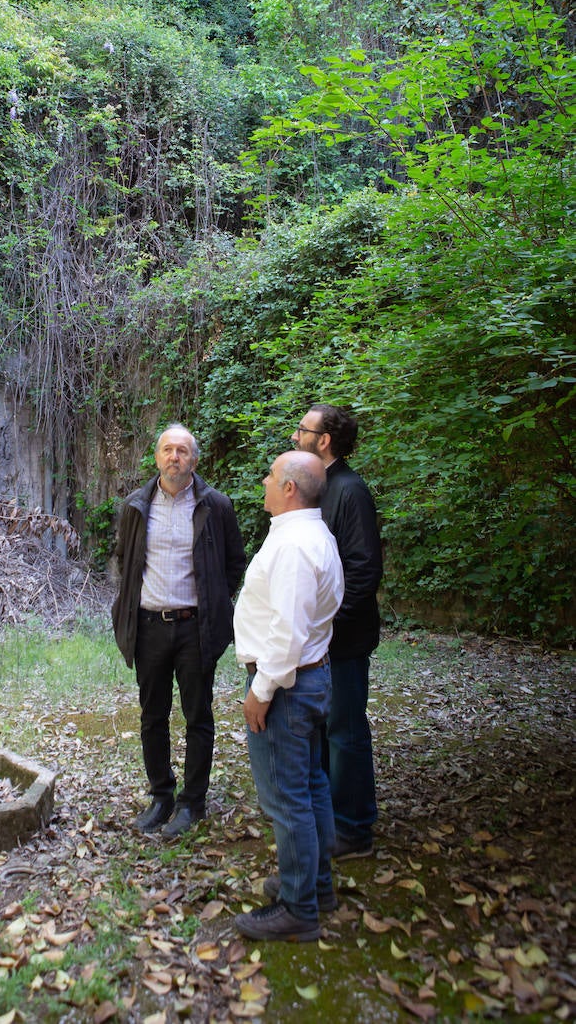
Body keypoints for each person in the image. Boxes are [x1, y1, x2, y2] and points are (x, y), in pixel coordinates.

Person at [112, 424, 246, 839]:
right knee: (153, 716)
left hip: (195, 628)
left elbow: (234, 564)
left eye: (182, 451)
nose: (174, 457)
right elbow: (125, 559)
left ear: (194, 459)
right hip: (150, 626)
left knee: (197, 715)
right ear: (156, 457)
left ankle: (192, 802)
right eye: (168, 450)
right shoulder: (136, 506)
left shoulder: (216, 505)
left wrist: (214, 602)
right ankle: (161, 797)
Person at [233, 450, 344, 942]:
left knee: (287, 799)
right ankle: (316, 886)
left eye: (271, 475)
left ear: (290, 488)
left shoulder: (296, 546)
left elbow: (287, 634)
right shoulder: (312, 534)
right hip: (308, 679)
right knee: (312, 785)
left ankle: (299, 910)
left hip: (287, 687)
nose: (264, 480)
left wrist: (260, 691)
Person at [291, 404, 383, 859]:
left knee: (345, 734)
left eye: (302, 430)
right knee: (324, 732)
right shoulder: (320, 487)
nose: (295, 436)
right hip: (319, 642)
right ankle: (330, 822)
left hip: (342, 642)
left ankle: (354, 829)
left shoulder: (350, 491)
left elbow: (364, 572)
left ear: (324, 440)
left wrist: (327, 626)